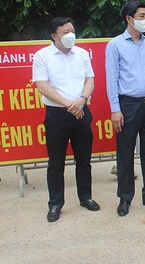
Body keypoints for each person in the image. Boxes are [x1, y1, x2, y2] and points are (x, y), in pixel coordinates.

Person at [105, 0, 145, 217]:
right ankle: (125, 198)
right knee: (125, 153)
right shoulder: (115, 45)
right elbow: (112, 79)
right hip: (128, 105)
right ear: (129, 19)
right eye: (142, 16)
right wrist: (116, 109)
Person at [32, 17, 100, 223]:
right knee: (55, 163)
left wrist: (81, 100)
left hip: (81, 110)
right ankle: (55, 204)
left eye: (72, 30)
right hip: (57, 115)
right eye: (65, 32)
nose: (71, 35)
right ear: (54, 36)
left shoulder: (81, 54)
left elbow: (90, 79)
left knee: (84, 160)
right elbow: (42, 86)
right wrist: (70, 105)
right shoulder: (42, 56)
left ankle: (86, 197)